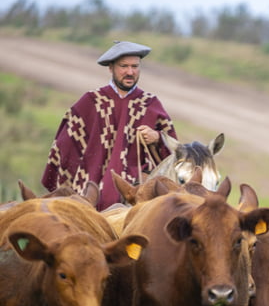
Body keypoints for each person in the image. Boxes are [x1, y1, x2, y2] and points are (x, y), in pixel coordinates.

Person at [41, 40, 178, 210]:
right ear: (111, 67)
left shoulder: (150, 103)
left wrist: (158, 137)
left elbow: (176, 151)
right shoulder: (90, 101)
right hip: (90, 193)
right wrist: (68, 183)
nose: (130, 72)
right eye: (124, 66)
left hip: (137, 196)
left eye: (135, 66)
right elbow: (64, 145)